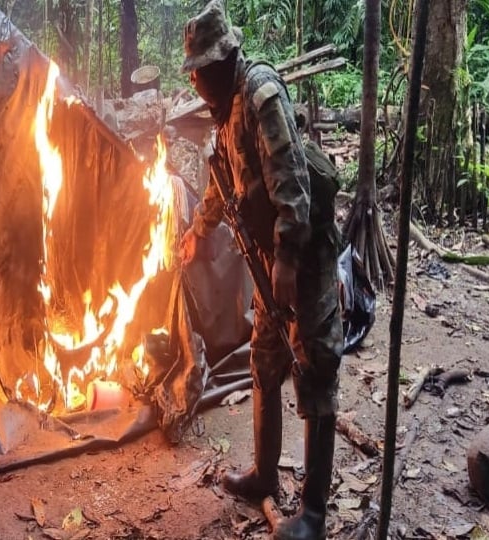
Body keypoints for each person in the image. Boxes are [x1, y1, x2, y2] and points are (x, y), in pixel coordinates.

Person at [177, 1, 343, 539]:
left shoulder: (260, 94)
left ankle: (314, 512)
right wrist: (196, 234)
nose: (198, 81)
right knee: (265, 363)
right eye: (195, 71)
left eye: (203, 69)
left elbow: (291, 180)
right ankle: (264, 474)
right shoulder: (224, 116)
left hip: (304, 255)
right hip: (271, 259)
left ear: (224, 60)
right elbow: (219, 190)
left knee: (314, 368)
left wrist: (290, 259)